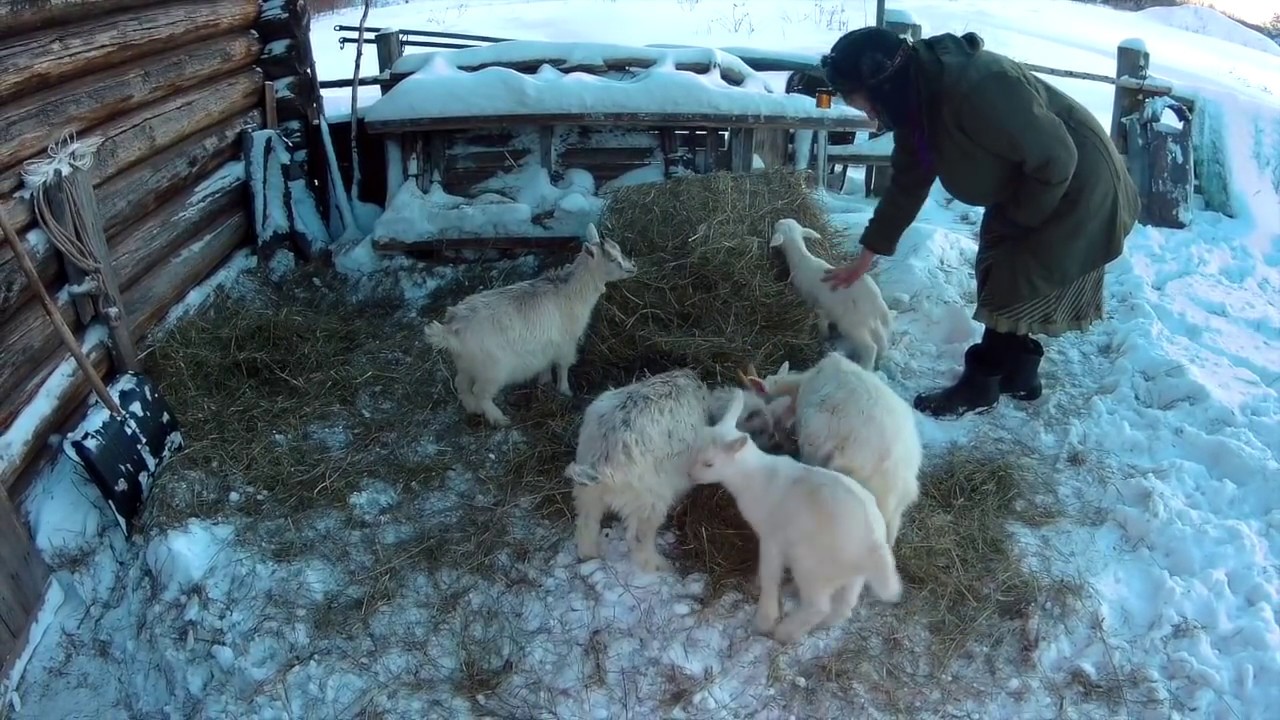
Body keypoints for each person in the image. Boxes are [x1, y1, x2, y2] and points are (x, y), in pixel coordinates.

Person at [818, 27, 1140, 419]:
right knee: (1005, 270)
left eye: (865, 103)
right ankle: (1019, 374)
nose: (868, 114)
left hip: (1077, 183)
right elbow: (909, 179)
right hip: (1041, 178)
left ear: (884, 86)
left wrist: (1020, 219)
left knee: (1013, 270)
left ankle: (981, 384)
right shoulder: (917, 99)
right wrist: (869, 253)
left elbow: (1057, 157)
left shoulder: (977, 90)